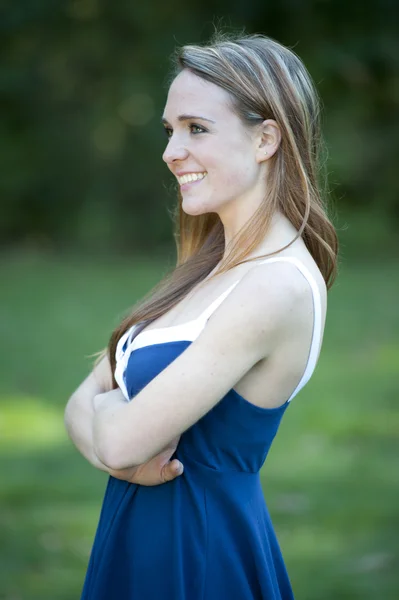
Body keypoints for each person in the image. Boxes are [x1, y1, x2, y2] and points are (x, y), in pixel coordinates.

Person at [64, 31, 338, 600]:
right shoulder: (211, 268)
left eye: (196, 129)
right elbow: (81, 411)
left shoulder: (275, 285)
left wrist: (111, 414)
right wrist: (119, 445)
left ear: (266, 139)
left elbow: (112, 432)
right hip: (140, 534)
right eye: (170, 131)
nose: (171, 151)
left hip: (199, 553)